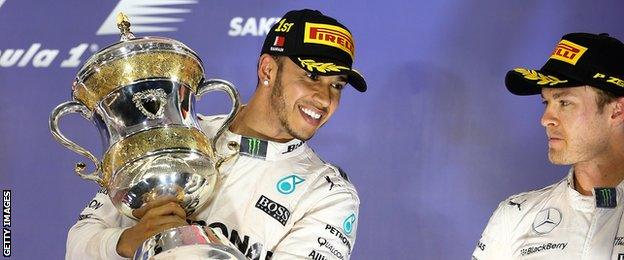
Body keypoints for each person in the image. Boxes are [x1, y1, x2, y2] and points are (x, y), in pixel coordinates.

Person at [66, 9, 366, 260]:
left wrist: (189, 246)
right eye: (311, 76)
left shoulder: (328, 194)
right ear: (268, 70)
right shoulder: (177, 132)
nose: (325, 98)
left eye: (336, 85)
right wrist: (128, 241)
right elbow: (78, 244)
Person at [473, 33, 624, 259]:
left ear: (616, 111)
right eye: (546, 102)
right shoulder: (514, 216)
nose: (546, 118)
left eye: (564, 102)